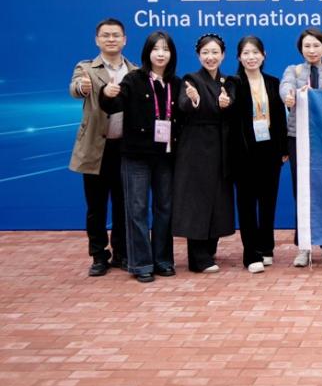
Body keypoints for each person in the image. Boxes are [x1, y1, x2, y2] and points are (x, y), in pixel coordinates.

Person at [98, 31, 181, 282]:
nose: (160, 54)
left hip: (166, 156)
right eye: (156, 49)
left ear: (172, 54)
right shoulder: (133, 79)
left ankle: (163, 260)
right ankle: (141, 263)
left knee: (164, 208)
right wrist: (107, 93)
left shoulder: (176, 83)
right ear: (147, 52)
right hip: (136, 156)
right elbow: (113, 105)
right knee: (137, 209)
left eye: (165, 49)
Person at [69, 18, 136, 276]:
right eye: (106, 35)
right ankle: (98, 255)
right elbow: (75, 87)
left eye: (116, 35)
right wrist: (82, 87)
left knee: (123, 204)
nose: (111, 39)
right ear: (97, 40)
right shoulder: (86, 68)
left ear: (124, 40)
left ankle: (121, 253)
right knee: (96, 207)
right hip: (96, 147)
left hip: (125, 148)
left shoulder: (134, 70)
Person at [174, 33, 237, 273]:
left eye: (215, 53)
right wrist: (194, 101)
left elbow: (234, 109)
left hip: (222, 147)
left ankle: (210, 249)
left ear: (223, 55)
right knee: (197, 200)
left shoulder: (228, 81)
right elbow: (183, 104)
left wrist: (227, 106)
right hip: (196, 148)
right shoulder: (191, 79)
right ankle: (197, 257)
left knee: (218, 199)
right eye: (205, 53)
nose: (210, 57)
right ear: (198, 55)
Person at [281, 27, 322, 267]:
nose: (312, 50)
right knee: (301, 192)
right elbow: (285, 87)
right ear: (301, 49)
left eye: (316, 45)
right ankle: (304, 247)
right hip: (297, 138)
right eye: (307, 46)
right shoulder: (294, 71)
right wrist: (290, 96)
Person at [232, 36, 288, 273]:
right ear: (239, 57)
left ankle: (266, 248)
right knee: (246, 203)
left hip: (270, 150)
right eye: (246, 53)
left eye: (255, 52)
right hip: (244, 151)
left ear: (264, 55)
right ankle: (250, 254)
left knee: (268, 201)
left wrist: (284, 149)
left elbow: (280, 117)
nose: (251, 57)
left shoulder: (273, 82)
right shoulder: (233, 83)